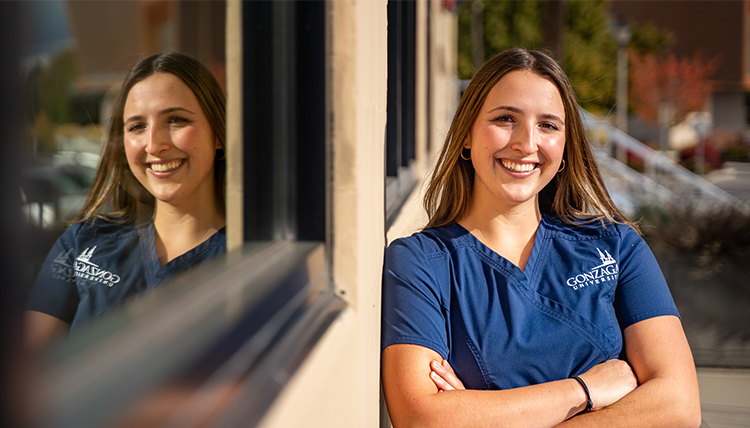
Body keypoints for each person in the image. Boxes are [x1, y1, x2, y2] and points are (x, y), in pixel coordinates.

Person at [381, 48, 701, 428]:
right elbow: (422, 418)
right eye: (504, 119)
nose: (526, 143)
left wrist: (481, 412)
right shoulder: (421, 262)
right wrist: (584, 390)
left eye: (548, 125)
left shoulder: (616, 246)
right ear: (466, 135)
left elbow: (678, 404)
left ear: (565, 147)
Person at [23, 52, 227, 351]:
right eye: (137, 126)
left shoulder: (248, 253)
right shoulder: (83, 241)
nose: (155, 144)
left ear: (218, 133)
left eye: (176, 120)